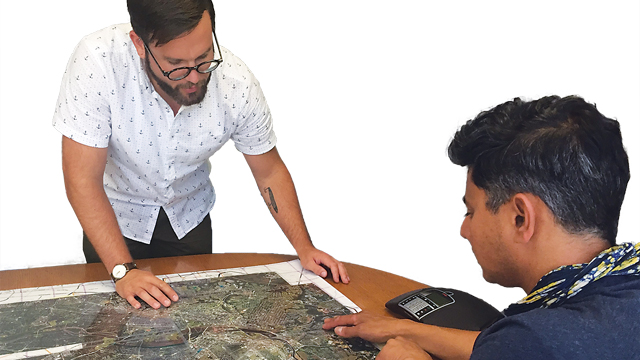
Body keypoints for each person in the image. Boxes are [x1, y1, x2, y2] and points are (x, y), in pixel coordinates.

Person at [52, 0, 349, 310]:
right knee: (112, 334)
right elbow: (82, 179)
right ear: (140, 45)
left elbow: (269, 170)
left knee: (191, 329)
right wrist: (123, 271)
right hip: (114, 219)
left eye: (204, 58)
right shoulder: (97, 63)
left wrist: (304, 247)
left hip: (188, 220)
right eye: (177, 64)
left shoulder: (238, 85)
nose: (194, 77)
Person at [323, 95, 640, 359]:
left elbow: (527, 346)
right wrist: (403, 328)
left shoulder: (536, 340)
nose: (465, 230)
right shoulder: (622, 288)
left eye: (471, 211)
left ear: (521, 218)